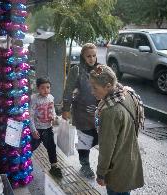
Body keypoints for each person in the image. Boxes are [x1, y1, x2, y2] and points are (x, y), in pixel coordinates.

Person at [89, 65, 144, 195]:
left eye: (94, 88)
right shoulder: (127, 93)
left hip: (116, 168)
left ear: (108, 86)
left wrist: (101, 173)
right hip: (130, 159)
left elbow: (106, 148)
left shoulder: (110, 111)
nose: (92, 91)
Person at [62, 43, 100, 178]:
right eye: (88, 56)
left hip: (98, 112)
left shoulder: (100, 69)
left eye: (94, 55)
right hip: (82, 112)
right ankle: (85, 165)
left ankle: (84, 149)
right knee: (85, 139)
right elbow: (68, 90)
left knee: (97, 138)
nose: (92, 59)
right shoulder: (76, 70)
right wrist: (65, 109)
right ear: (83, 57)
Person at [30, 77, 62, 178]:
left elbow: (53, 111)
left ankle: (54, 166)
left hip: (48, 128)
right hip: (38, 129)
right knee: (31, 147)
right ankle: (24, 163)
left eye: (48, 87)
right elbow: (30, 115)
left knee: (51, 147)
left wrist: (55, 117)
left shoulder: (51, 97)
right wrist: (33, 130)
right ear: (38, 88)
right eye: (43, 88)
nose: (46, 90)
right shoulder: (34, 99)